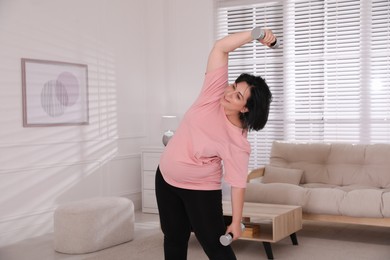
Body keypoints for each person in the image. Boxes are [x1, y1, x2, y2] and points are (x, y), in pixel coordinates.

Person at [155, 28, 275, 260]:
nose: (229, 93)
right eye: (233, 86)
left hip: (200, 189)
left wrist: (237, 221)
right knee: (173, 238)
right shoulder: (214, 93)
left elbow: (238, 183)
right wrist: (255, 34)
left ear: (245, 109)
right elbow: (221, 46)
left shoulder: (237, 142)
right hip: (166, 178)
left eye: (238, 96)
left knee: (215, 245)